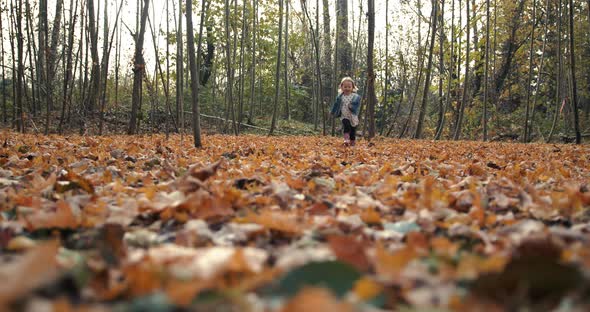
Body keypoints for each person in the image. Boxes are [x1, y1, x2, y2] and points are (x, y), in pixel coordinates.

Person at [330, 77, 361, 146]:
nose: (347, 88)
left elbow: (357, 105)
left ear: (352, 87)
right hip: (344, 115)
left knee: (353, 130)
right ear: (341, 87)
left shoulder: (355, 97)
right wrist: (333, 112)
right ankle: (346, 139)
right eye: (345, 87)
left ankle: (352, 141)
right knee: (346, 126)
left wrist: (352, 106)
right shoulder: (340, 97)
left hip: (353, 116)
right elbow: (336, 105)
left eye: (349, 87)